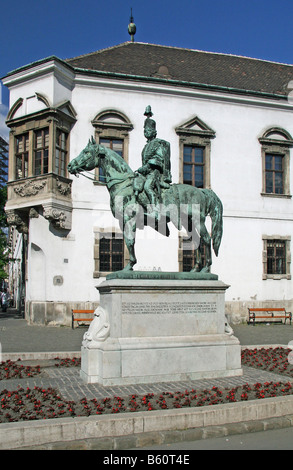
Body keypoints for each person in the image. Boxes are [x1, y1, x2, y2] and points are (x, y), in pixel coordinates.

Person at [136, 106, 172, 220]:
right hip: (146, 173)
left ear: (154, 132)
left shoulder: (157, 144)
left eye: (148, 130)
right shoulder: (145, 147)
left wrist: (146, 167)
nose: (146, 132)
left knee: (147, 187)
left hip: (154, 172)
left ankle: (155, 211)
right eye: (145, 130)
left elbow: (159, 158)